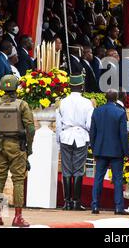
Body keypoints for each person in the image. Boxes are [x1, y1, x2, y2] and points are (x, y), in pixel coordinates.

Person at [0, 75, 35, 227]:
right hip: (17, 146)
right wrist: (28, 147)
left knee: (0, 180)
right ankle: (17, 217)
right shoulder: (22, 105)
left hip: (0, 146)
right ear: (16, 87)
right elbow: (30, 128)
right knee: (18, 180)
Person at [56, 74, 94, 211]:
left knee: (66, 169)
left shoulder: (63, 102)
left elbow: (59, 124)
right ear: (82, 86)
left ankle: (67, 202)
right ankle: (76, 202)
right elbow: (90, 124)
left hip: (66, 135)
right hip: (81, 136)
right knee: (78, 169)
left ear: (70, 87)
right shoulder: (87, 102)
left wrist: (58, 140)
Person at [89, 89, 129, 215]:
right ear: (116, 98)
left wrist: (94, 149)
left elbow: (92, 132)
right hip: (116, 151)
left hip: (100, 150)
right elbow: (123, 134)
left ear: (105, 97)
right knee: (117, 180)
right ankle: (118, 207)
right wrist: (126, 151)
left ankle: (95, 206)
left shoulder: (97, 111)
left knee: (98, 179)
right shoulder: (120, 112)